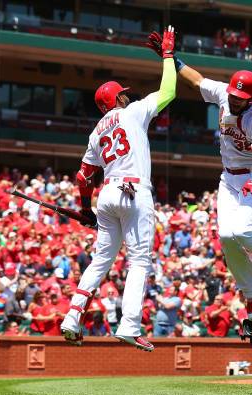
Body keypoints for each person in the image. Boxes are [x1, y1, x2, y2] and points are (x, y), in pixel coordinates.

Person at [60, 26, 177, 352]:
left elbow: (84, 177)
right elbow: (168, 91)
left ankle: (72, 316)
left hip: (108, 193)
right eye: (123, 93)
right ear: (118, 99)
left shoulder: (96, 131)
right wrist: (168, 57)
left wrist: (85, 209)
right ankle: (129, 325)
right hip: (134, 191)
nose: (128, 94)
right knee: (140, 261)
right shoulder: (133, 111)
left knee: (100, 261)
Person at [147, 29, 252, 322]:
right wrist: (170, 58)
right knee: (227, 237)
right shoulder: (224, 93)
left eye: (242, 97)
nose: (236, 99)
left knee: (241, 232)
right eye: (234, 94)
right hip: (229, 180)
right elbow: (196, 80)